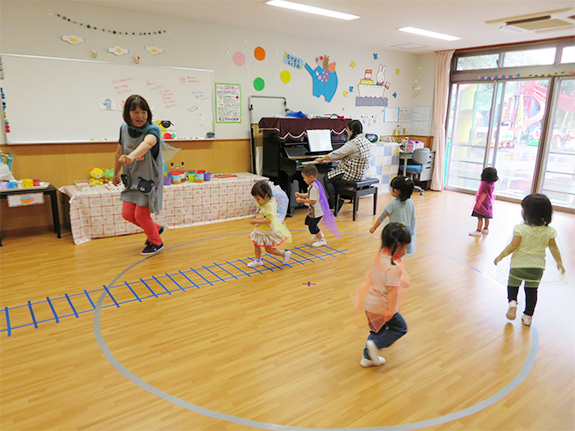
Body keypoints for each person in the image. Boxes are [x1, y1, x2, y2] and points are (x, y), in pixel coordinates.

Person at [494, 193, 565, 326]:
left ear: (527, 213)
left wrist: (501, 256)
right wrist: (559, 262)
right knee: (532, 292)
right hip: (537, 268)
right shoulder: (549, 231)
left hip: (518, 266)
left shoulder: (521, 229)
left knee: (513, 285)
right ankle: (528, 316)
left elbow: (513, 246)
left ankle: (512, 302)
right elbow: (554, 249)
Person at [350, 223, 411, 368]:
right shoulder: (394, 267)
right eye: (405, 248)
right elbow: (391, 292)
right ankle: (375, 346)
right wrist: (390, 311)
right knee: (400, 328)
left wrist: (399, 282)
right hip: (382, 307)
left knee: (377, 330)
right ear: (396, 246)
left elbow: (384, 278)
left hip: (370, 304)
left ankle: (368, 357)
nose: (406, 252)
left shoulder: (382, 253)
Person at [113, 94, 165, 256]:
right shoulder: (124, 128)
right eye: (135, 112)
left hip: (148, 180)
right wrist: (116, 173)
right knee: (127, 214)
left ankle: (156, 242)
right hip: (132, 179)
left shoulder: (153, 130)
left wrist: (132, 156)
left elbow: (147, 143)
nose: (140, 116)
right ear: (127, 113)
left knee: (141, 216)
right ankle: (155, 229)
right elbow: (119, 151)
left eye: (144, 112)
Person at [314, 119, 373, 211]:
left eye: (348, 130)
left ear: (352, 131)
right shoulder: (366, 141)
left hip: (352, 173)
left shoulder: (353, 143)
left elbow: (337, 154)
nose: (347, 132)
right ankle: (336, 199)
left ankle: (334, 203)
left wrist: (322, 158)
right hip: (362, 173)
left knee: (327, 178)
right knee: (335, 176)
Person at [247, 181, 292, 268]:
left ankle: (284, 254)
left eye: (258, 199)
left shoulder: (269, 205)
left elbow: (269, 219)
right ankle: (258, 260)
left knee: (269, 249)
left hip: (267, 230)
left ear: (266, 196)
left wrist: (256, 221)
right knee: (256, 243)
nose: (257, 201)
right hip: (261, 229)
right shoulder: (265, 202)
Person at [369, 176, 417, 256]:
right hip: (406, 231)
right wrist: (411, 230)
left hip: (395, 232)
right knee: (401, 252)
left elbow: (382, 217)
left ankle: (393, 265)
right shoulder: (411, 202)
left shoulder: (392, 204)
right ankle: (398, 264)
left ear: (396, 190)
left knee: (393, 252)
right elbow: (413, 218)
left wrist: (374, 227)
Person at [295, 164, 340, 247]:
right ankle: (318, 233)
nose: (304, 180)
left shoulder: (314, 188)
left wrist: (301, 200)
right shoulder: (313, 185)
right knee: (308, 221)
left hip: (317, 212)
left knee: (312, 226)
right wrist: (301, 195)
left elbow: (313, 200)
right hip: (313, 210)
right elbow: (309, 194)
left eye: (304, 178)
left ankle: (321, 239)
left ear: (311, 177)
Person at [469, 167, 498, 237]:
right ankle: (486, 228)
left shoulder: (485, 185)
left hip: (483, 204)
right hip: (488, 203)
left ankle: (478, 230)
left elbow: (484, 194)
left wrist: (479, 203)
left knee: (480, 217)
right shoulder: (492, 184)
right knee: (487, 217)